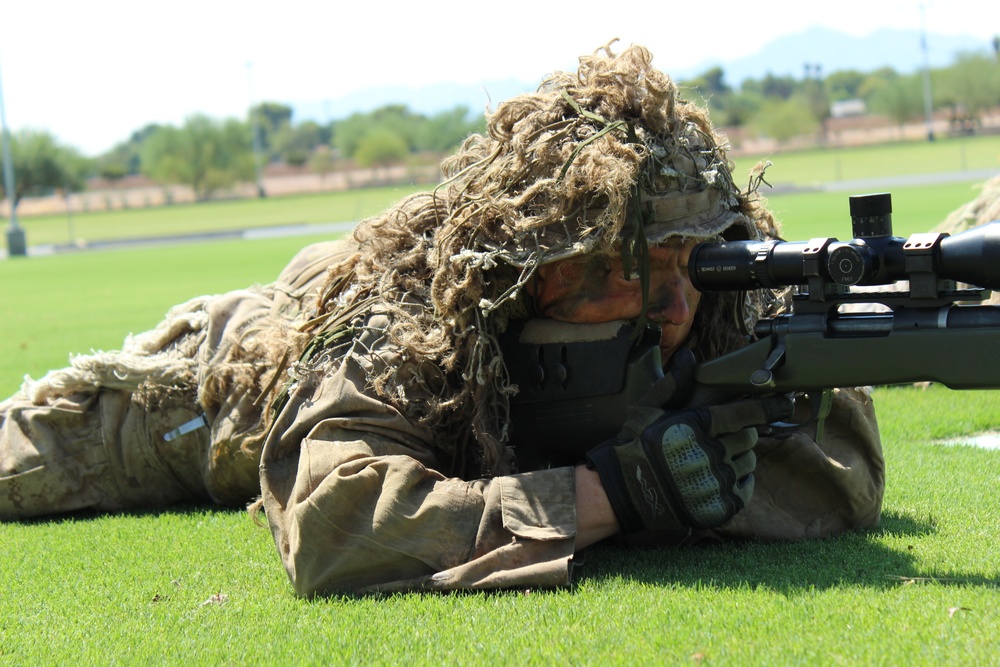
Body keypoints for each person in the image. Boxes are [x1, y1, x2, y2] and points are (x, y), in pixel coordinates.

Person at [0, 43, 884, 595]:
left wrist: (699, 456)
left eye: (690, 263)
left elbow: (842, 460)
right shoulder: (414, 322)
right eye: (631, 275)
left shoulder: (726, 292)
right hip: (238, 368)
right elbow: (335, 523)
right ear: (539, 278)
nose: (677, 306)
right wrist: (610, 496)